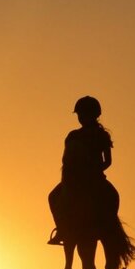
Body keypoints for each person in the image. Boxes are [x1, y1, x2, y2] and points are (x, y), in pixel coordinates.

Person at [47, 96, 115, 245]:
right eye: (80, 115)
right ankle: (62, 230)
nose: (82, 118)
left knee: (112, 196)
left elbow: (108, 161)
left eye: (84, 114)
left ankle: (111, 230)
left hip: (95, 178)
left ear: (94, 115)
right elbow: (67, 160)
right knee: (53, 196)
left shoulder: (102, 135)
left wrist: (93, 171)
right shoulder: (73, 135)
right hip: (74, 180)